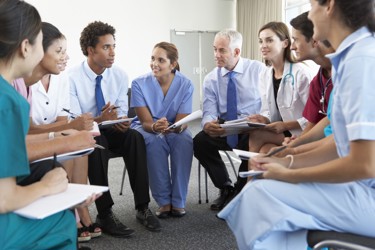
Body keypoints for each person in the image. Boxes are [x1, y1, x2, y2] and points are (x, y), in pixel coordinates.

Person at [218, 0, 375, 249]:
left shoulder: (361, 61)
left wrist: (291, 173)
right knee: (264, 185)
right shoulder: (350, 59)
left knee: (260, 194)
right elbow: (340, 142)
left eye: (312, 5)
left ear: (329, 6)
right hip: (360, 186)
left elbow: (365, 164)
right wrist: (287, 160)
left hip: (367, 193)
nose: (310, 14)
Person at [68, 21, 161, 236]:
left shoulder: (119, 75)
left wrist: (121, 121)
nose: (112, 53)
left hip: (109, 128)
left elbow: (120, 112)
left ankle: (142, 207)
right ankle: (105, 212)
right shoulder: (72, 78)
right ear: (91, 51)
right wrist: (99, 119)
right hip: (87, 132)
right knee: (97, 142)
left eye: (114, 46)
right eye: (106, 47)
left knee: (134, 137)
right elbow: (74, 120)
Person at [0, 1, 78, 248]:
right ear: (25, 47)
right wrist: (46, 187)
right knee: (62, 221)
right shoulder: (9, 101)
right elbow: (4, 199)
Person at [28, 22, 100, 242]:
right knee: (68, 144)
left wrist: (70, 129)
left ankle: (81, 209)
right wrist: (66, 130)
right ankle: (73, 214)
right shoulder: (25, 82)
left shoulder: (62, 78)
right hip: (32, 139)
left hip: (44, 133)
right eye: (59, 51)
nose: (66, 57)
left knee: (81, 144)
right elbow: (29, 129)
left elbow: (60, 121)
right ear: (39, 52)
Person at [193, 29, 266, 211]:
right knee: (200, 142)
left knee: (251, 146)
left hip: (250, 128)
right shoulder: (211, 79)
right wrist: (209, 124)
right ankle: (225, 187)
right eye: (215, 49)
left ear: (236, 52)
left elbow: (269, 104)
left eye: (222, 50)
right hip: (225, 127)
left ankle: (240, 193)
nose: (216, 55)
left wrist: (261, 119)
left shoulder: (258, 70)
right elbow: (209, 110)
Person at [131, 42, 194, 218]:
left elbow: (184, 120)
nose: (154, 64)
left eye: (160, 60)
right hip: (148, 127)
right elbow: (145, 122)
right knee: (153, 141)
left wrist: (176, 127)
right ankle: (164, 201)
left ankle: (179, 200)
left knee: (185, 140)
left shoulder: (186, 84)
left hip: (175, 127)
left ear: (172, 64)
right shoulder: (138, 83)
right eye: (152, 58)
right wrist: (154, 127)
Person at [246, 21, 313, 154]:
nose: (263, 46)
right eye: (261, 41)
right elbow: (267, 111)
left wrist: (286, 125)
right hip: (281, 131)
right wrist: (263, 119)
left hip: (302, 132)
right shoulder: (265, 74)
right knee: (265, 151)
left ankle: (249, 175)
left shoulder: (301, 74)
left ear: (285, 43)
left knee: (257, 136)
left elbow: (314, 117)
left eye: (269, 40)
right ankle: (253, 174)